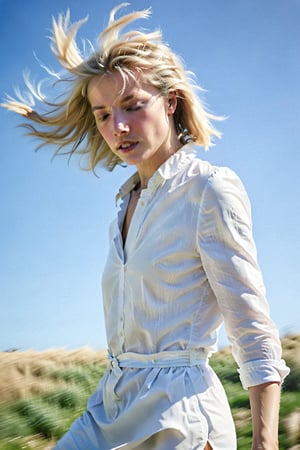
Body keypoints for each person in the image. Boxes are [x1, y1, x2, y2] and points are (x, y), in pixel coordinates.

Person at [2, 4, 290, 450]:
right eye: (102, 115)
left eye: (132, 106)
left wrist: (266, 444)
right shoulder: (123, 204)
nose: (117, 126)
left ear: (171, 102)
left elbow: (251, 326)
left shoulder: (208, 189)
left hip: (180, 417)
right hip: (109, 406)